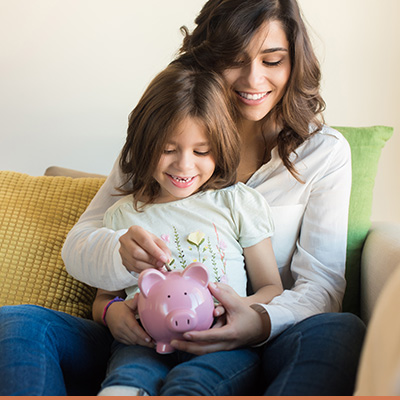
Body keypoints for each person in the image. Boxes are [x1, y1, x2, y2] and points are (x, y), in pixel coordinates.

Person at [0, 0, 365, 395]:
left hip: (263, 341)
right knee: (17, 323)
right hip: (141, 339)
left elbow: (322, 287)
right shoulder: (159, 143)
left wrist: (258, 320)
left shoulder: (323, 153)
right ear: (208, 56)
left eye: (272, 60)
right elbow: (81, 244)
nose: (253, 78)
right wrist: (117, 268)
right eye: (235, 59)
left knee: (340, 329)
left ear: (295, 63)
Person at [92, 63, 283, 396]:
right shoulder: (122, 216)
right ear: (142, 144)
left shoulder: (237, 203)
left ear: (220, 148)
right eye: (168, 149)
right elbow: (103, 299)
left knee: (192, 385)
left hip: (223, 343)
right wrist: (111, 314)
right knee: (126, 381)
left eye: (201, 151)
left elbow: (271, 287)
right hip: (144, 343)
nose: (184, 164)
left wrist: (241, 309)